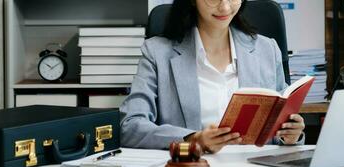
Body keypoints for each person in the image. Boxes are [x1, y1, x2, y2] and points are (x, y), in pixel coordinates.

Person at [120, 0, 305, 153]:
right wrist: (193, 139)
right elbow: (129, 126)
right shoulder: (157, 53)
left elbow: (278, 127)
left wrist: (290, 135)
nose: (225, 7)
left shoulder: (267, 50)